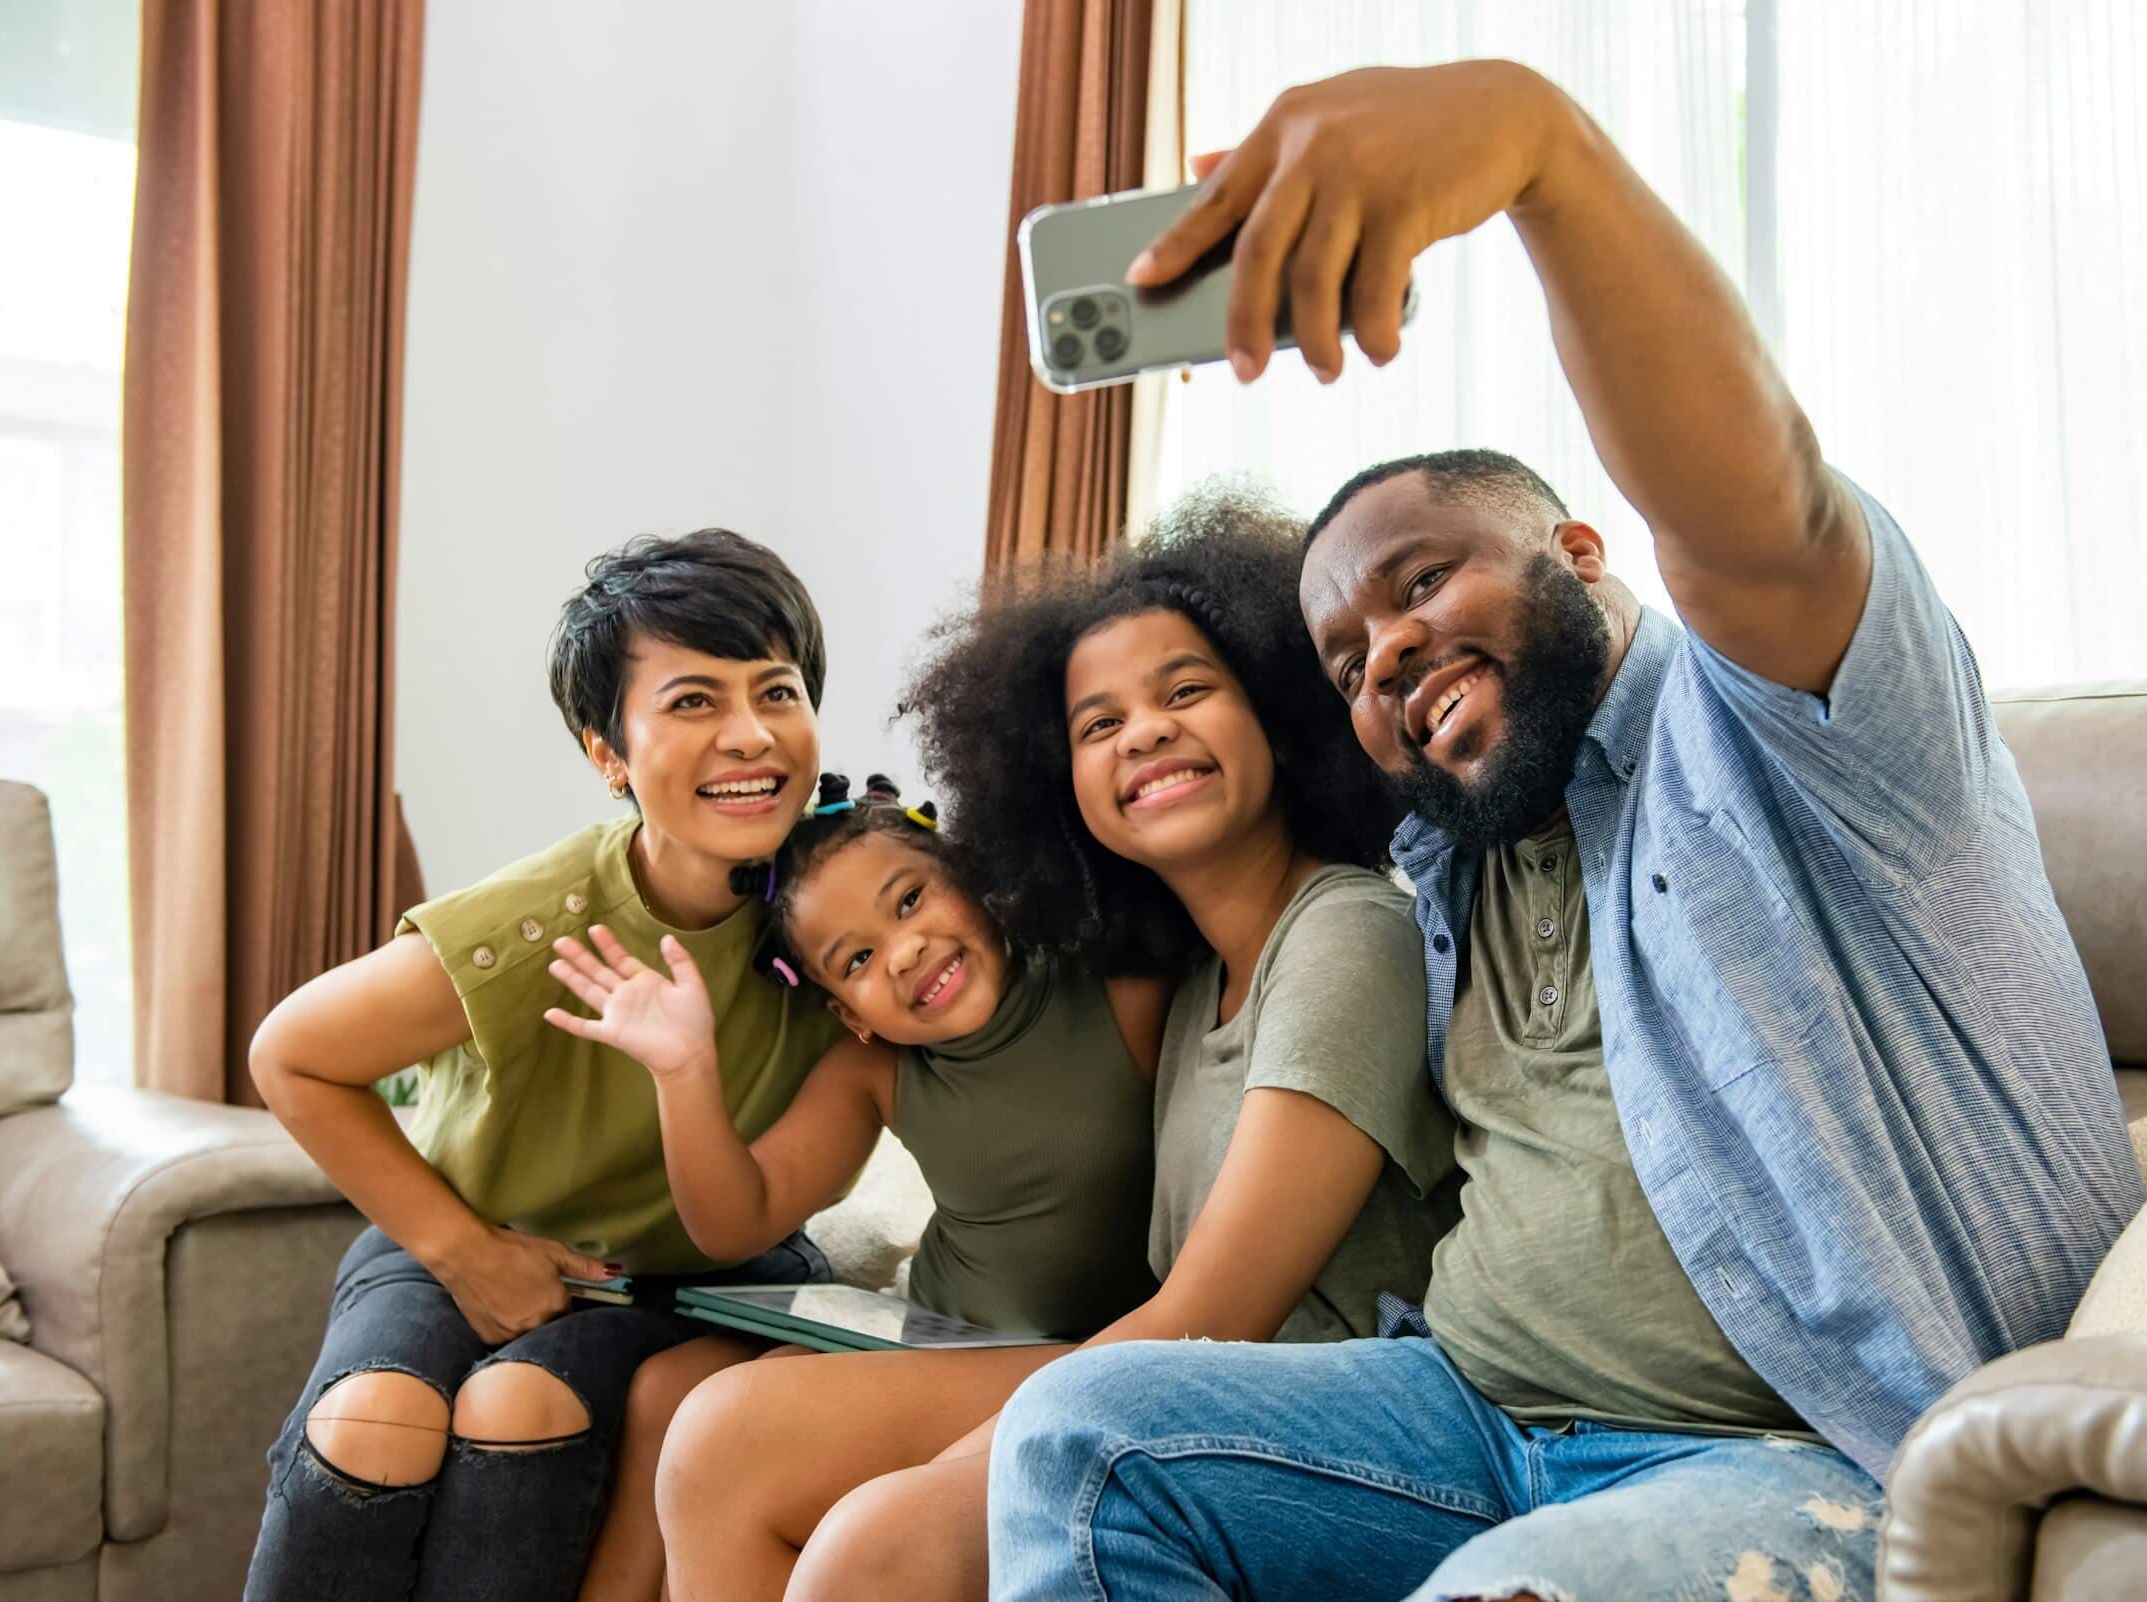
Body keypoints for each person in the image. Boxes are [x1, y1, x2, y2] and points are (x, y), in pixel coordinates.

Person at [985, 60, 2143, 1602]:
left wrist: (1544, 157)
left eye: (1421, 585)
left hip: (1800, 1455)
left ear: (1586, 553)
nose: (1384, 652)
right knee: (1078, 1434)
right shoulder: (1447, 859)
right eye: (1347, 661)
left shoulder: (1803, 731)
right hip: (1464, 1414)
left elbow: (1765, 511)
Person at [652, 494, 1462, 1602]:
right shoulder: (1183, 982)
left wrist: (954, 1472)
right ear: (1060, 789)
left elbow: (1213, 1318)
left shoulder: (1344, 936)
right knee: (719, 1437)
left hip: (1303, 1404)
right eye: (1097, 725)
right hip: (1181, 1378)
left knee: (874, 1542)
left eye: (1186, 691)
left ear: (1274, 714)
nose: (1144, 732)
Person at [242, 529, 850, 1602]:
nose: (751, 736)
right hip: (461, 1230)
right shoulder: (533, 926)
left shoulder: (845, 901)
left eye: (778, 691)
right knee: (367, 1426)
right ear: (607, 754)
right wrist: (467, 1250)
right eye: (694, 702)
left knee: (522, 1405)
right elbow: (290, 1055)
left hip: (697, 1277)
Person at [556, 770, 1169, 1602]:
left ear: (969, 875)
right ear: (851, 1012)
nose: (905, 950)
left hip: (1060, 1354)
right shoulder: (876, 1067)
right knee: (668, 1389)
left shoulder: (1115, 991)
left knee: (728, 1440)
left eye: (910, 901)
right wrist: (684, 1072)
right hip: (929, 1332)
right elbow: (736, 1221)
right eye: (859, 959)